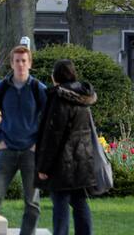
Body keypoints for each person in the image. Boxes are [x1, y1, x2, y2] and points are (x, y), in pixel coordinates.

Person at [0, 45, 48, 235]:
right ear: (12, 63)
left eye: (24, 61)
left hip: (30, 153)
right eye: (17, 61)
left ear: (29, 63)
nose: (20, 64)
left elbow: (50, 121)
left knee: (32, 204)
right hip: (7, 151)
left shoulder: (38, 89)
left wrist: (37, 144)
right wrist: (0, 139)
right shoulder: (1, 88)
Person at [36, 60, 96, 235]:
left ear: (56, 76)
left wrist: (43, 167)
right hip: (82, 159)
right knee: (80, 202)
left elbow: (53, 136)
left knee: (60, 204)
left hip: (61, 163)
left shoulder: (59, 98)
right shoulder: (83, 97)